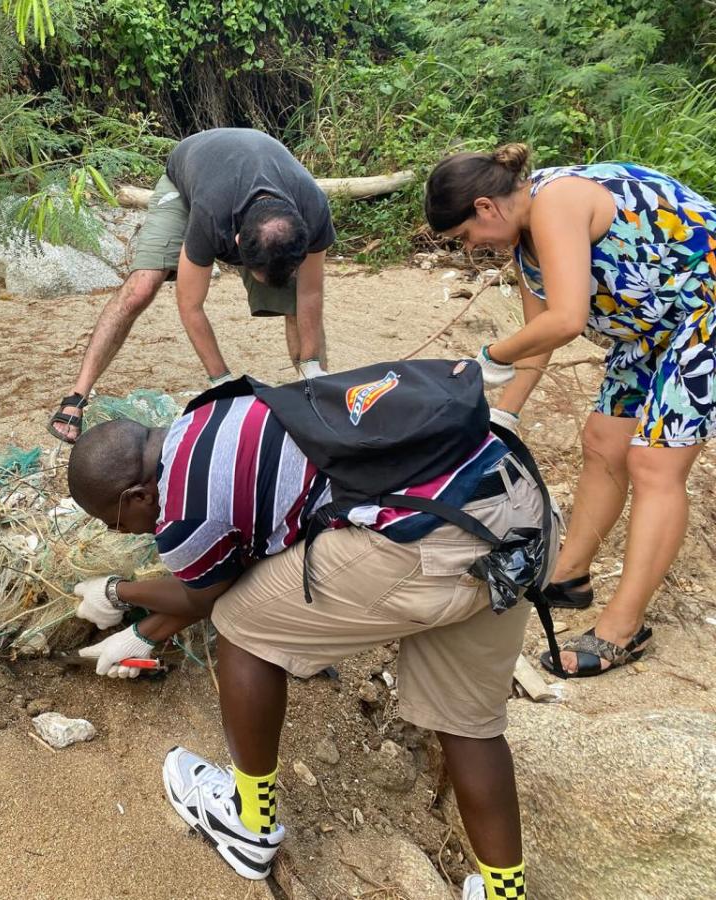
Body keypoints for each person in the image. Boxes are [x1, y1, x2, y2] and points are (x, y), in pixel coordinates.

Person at [65, 391, 551, 899]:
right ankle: (504, 894)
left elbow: (207, 597)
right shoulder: (212, 415)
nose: (118, 532)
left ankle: (249, 823)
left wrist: (115, 592)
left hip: (430, 540)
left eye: (114, 522)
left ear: (138, 496)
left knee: (242, 627)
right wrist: (142, 633)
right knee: (468, 724)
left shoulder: (184, 505)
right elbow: (250, 559)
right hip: (513, 509)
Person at [424, 144, 715, 678]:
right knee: (603, 442)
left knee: (655, 462)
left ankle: (624, 626)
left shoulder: (554, 202)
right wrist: (502, 418)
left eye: (466, 235)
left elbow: (566, 318)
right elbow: (542, 340)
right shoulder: (525, 240)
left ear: (486, 207)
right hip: (654, 328)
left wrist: (487, 356)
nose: (472, 248)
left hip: (705, 310)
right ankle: (570, 575)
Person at [47, 128, 336, 442]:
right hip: (188, 175)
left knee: (292, 299)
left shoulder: (313, 210)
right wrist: (223, 382)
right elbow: (190, 304)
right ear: (236, 242)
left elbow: (310, 293)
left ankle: (316, 395)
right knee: (142, 287)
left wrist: (311, 365)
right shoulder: (212, 213)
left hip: (248, 175)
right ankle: (77, 394)